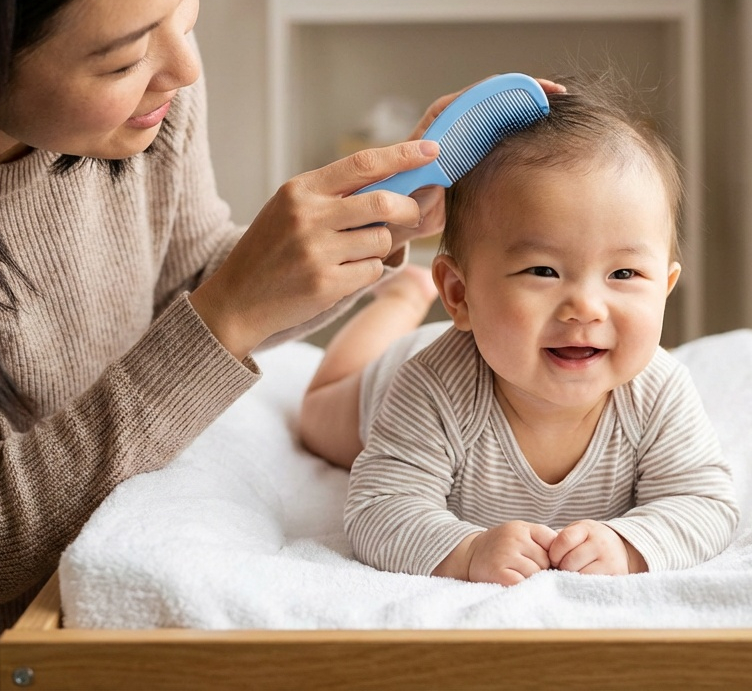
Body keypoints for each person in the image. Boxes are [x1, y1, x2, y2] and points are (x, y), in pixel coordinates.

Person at [0, 0, 574, 687]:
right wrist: (227, 314)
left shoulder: (145, 110)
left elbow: (187, 279)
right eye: (120, 59)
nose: (184, 69)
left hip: (104, 621)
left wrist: (380, 215)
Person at [302, 78, 739, 585]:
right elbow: (379, 509)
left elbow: (704, 503)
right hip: (392, 376)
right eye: (543, 272)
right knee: (316, 419)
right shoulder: (429, 389)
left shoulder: (658, 392)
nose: (585, 308)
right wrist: (467, 551)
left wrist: (629, 546)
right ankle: (402, 299)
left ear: (664, 287)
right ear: (461, 295)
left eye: (624, 274)